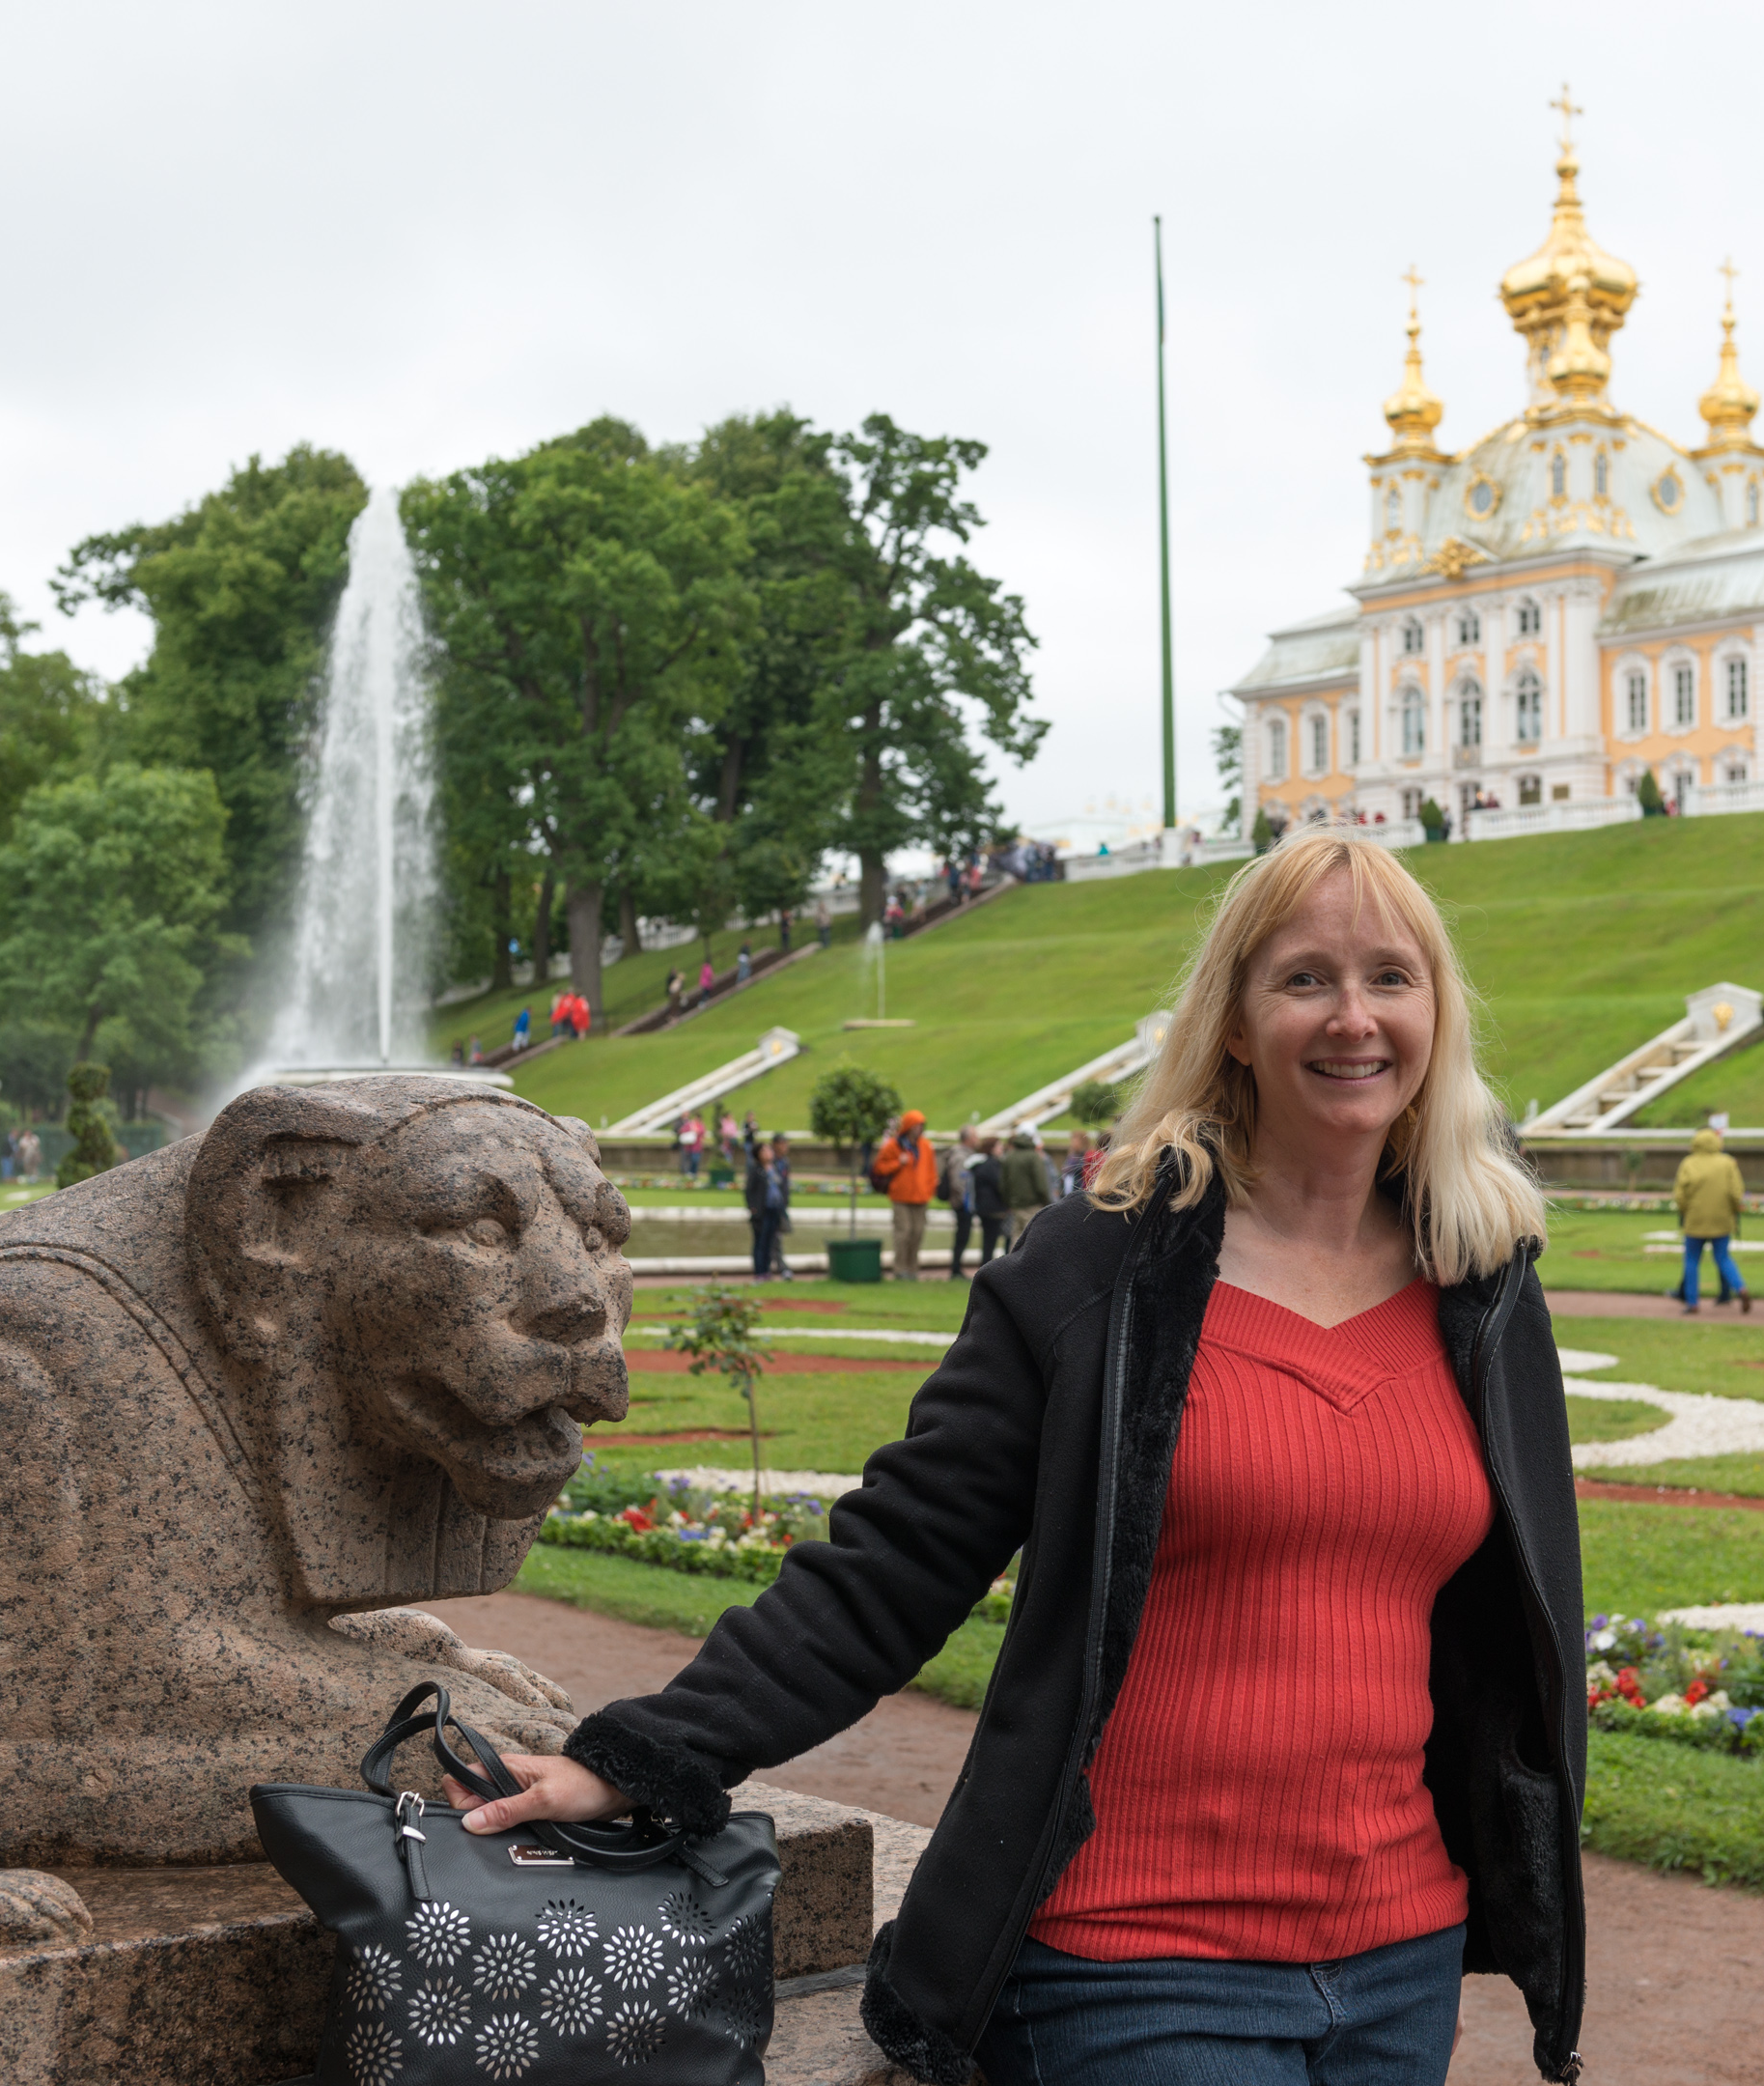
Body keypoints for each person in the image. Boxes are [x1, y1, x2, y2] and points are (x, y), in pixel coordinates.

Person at [441, 825, 1582, 2086]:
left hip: (1397, 1960)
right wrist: (649, 1756)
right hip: (1135, 1958)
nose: (1353, 1017)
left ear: (1436, 1014)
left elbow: (1515, 1627)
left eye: (1390, 978)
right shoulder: (1103, 1269)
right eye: (1305, 977)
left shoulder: (1481, 1285)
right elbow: (902, 1556)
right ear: (1235, 1022)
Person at [1671, 1127, 1750, 1314]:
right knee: (1723, 1258)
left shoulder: (1689, 1163)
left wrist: (1686, 1210)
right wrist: (1731, 1211)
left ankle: (1692, 1302)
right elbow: (1736, 1193)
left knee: (1691, 1260)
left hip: (1695, 1218)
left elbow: (1680, 1195)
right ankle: (1740, 1287)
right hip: (1721, 1219)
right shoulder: (1727, 1163)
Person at [873, 1109, 938, 1280]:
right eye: (916, 1125)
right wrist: (898, 1162)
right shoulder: (894, 1145)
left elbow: (931, 1171)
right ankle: (899, 1269)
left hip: (921, 1197)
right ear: (908, 1126)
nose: (919, 1129)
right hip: (901, 1197)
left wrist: (929, 1189)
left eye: (921, 1126)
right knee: (903, 1232)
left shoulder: (926, 1146)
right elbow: (879, 1168)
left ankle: (912, 1268)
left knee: (917, 1233)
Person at [745, 1135, 793, 1279]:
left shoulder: (776, 1167)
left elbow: (783, 1187)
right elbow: (749, 1191)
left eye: (769, 1150)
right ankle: (760, 1272)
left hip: (775, 1210)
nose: (769, 1153)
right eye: (765, 1151)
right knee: (760, 1242)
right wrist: (753, 1209)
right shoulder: (756, 1170)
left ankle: (767, 1271)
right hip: (762, 1212)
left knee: (770, 1242)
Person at [999, 1125, 1052, 1248]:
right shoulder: (1033, 1157)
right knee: (1032, 1239)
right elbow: (1041, 1183)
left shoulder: (1009, 1157)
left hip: (1015, 1205)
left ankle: (1013, 1260)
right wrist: (1046, 1201)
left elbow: (1003, 1184)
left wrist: (1009, 1202)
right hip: (1032, 1204)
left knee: (1016, 1238)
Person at [943, 1126, 981, 1279]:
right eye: (975, 1136)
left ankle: (957, 1267)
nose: (977, 1140)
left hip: (964, 1202)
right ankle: (955, 1269)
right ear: (968, 1139)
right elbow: (958, 1181)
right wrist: (966, 1200)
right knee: (962, 1236)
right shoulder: (960, 1156)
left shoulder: (967, 1154)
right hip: (962, 1203)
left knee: (963, 1235)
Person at [971, 1135, 1009, 1266]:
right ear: (992, 1148)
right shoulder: (993, 1165)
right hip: (993, 1209)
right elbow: (1000, 1185)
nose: (1001, 1148)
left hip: (984, 1207)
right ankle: (986, 1267)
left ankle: (985, 1266)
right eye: (999, 1146)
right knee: (991, 1240)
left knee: (988, 1240)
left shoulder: (981, 1164)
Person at [676, 1111, 705, 1181]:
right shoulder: (690, 1124)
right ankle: (689, 1173)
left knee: (695, 1160)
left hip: (697, 1146)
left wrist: (697, 1131)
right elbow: (681, 1130)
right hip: (689, 1146)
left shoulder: (701, 1125)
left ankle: (693, 1173)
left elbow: (702, 1132)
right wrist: (690, 1130)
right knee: (689, 1160)